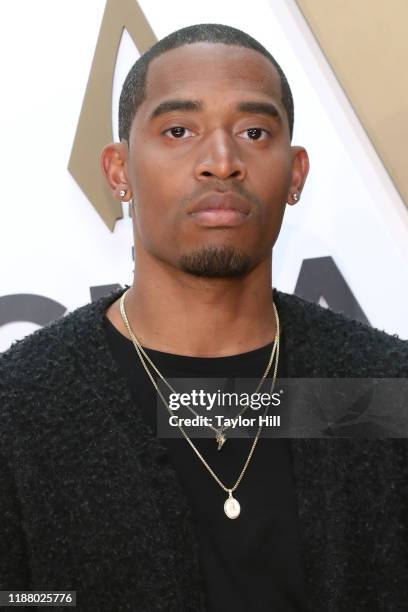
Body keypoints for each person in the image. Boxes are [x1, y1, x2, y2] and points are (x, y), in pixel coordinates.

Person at [1, 23, 407, 612]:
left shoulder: (376, 390)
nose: (221, 161)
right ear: (118, 171)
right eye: (179, 130)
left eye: (253, 131)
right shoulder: (21, 408)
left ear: (295, 174)